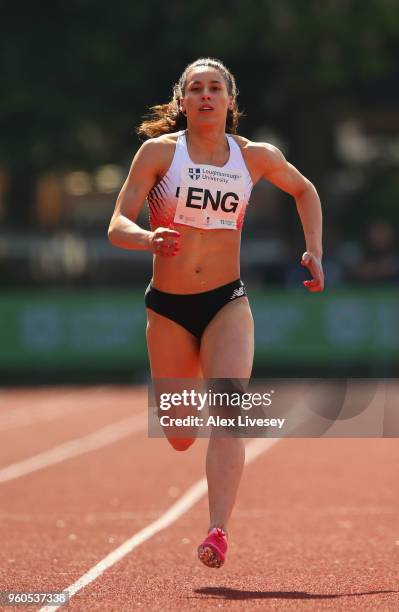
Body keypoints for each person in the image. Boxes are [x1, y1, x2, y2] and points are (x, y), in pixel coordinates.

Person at [108, 57, 324, 568]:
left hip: (227, 302)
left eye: (215, 88)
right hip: (169, 309)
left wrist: (314, 249)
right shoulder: (160, 153)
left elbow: (306, 190)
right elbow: (117, 222)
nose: (206, 96)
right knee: (181, 434)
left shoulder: (254, 158)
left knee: (228, 412)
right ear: (182, 101)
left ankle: (218, 529)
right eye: (196, 89)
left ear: (230, 100)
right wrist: (147, 237)